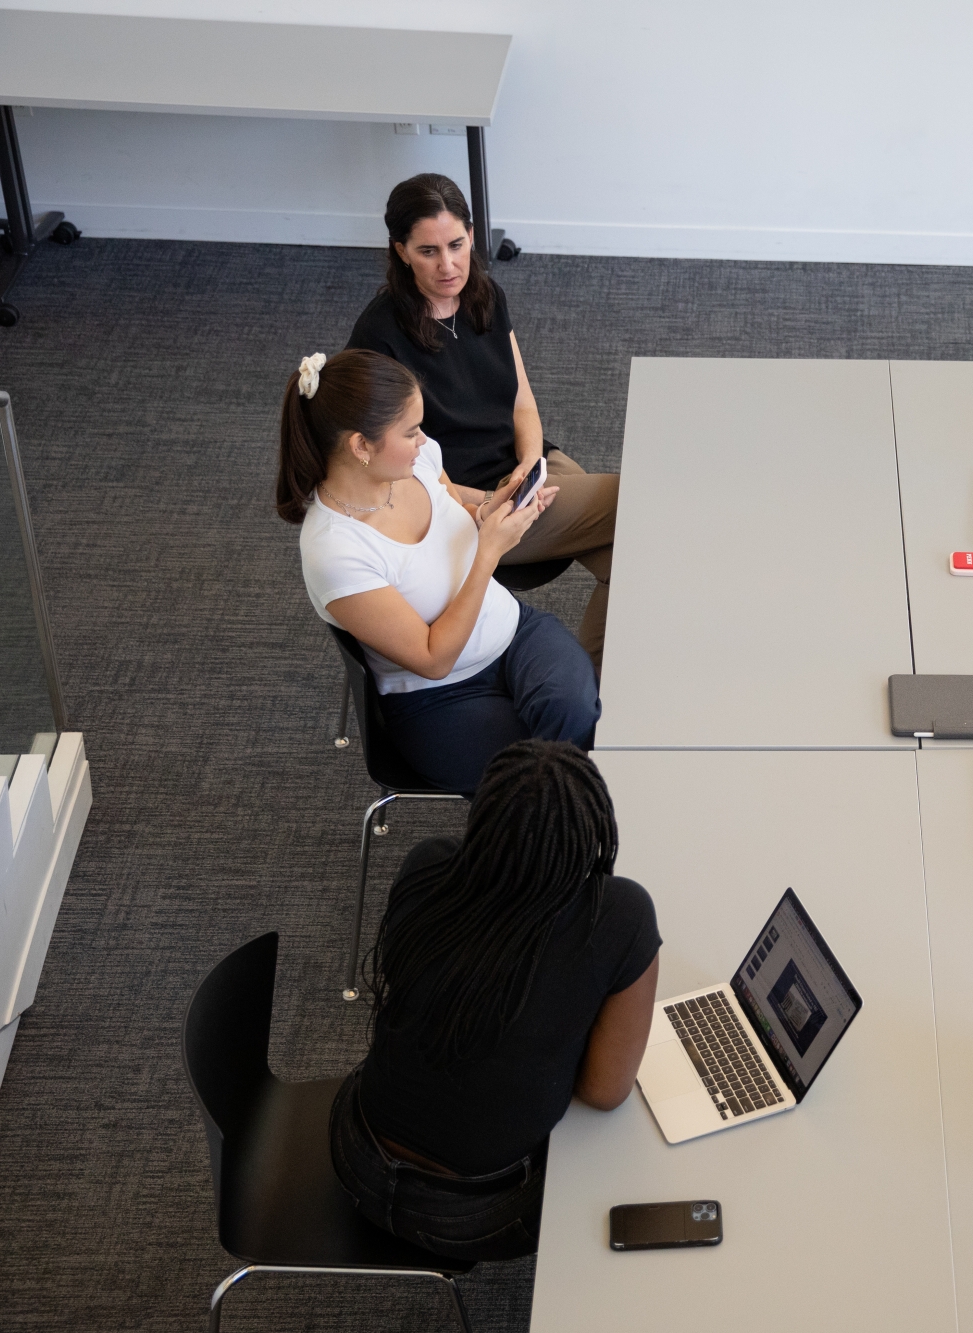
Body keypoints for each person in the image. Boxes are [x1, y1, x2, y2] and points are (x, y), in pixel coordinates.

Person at [329, 741, 661, 1261]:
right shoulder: (619, 918)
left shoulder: (427, 868)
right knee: (621, 1164)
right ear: (590, 833)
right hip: (472, 1215)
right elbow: (604, 1091)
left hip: (354, 1155)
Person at [277, 347, 600, 795]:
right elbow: (433, 659)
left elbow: (460, 510)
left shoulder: (417, 464)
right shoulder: (335, 552)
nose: (425, 442)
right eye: (411, 432)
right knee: (539, 775)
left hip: (513, 631)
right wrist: (489, 553)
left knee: (578, 717)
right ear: (360, 446)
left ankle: (556, 828)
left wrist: (493, 508)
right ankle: (545, 843)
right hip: (440, 696)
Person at [347, 173, 619, 671]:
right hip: (464, 505)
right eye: (428, 251)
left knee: (634, 560)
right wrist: (500, 497)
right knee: (635, 504)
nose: (449, 265)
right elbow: (396, 470)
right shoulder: (379, 337)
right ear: (401, 251)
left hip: (523, 468)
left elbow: (521, 403)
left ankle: (585, 690)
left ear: (473, 234)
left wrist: (530, 466)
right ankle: (583, 697)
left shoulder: (483, 294)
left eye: (457, 244)